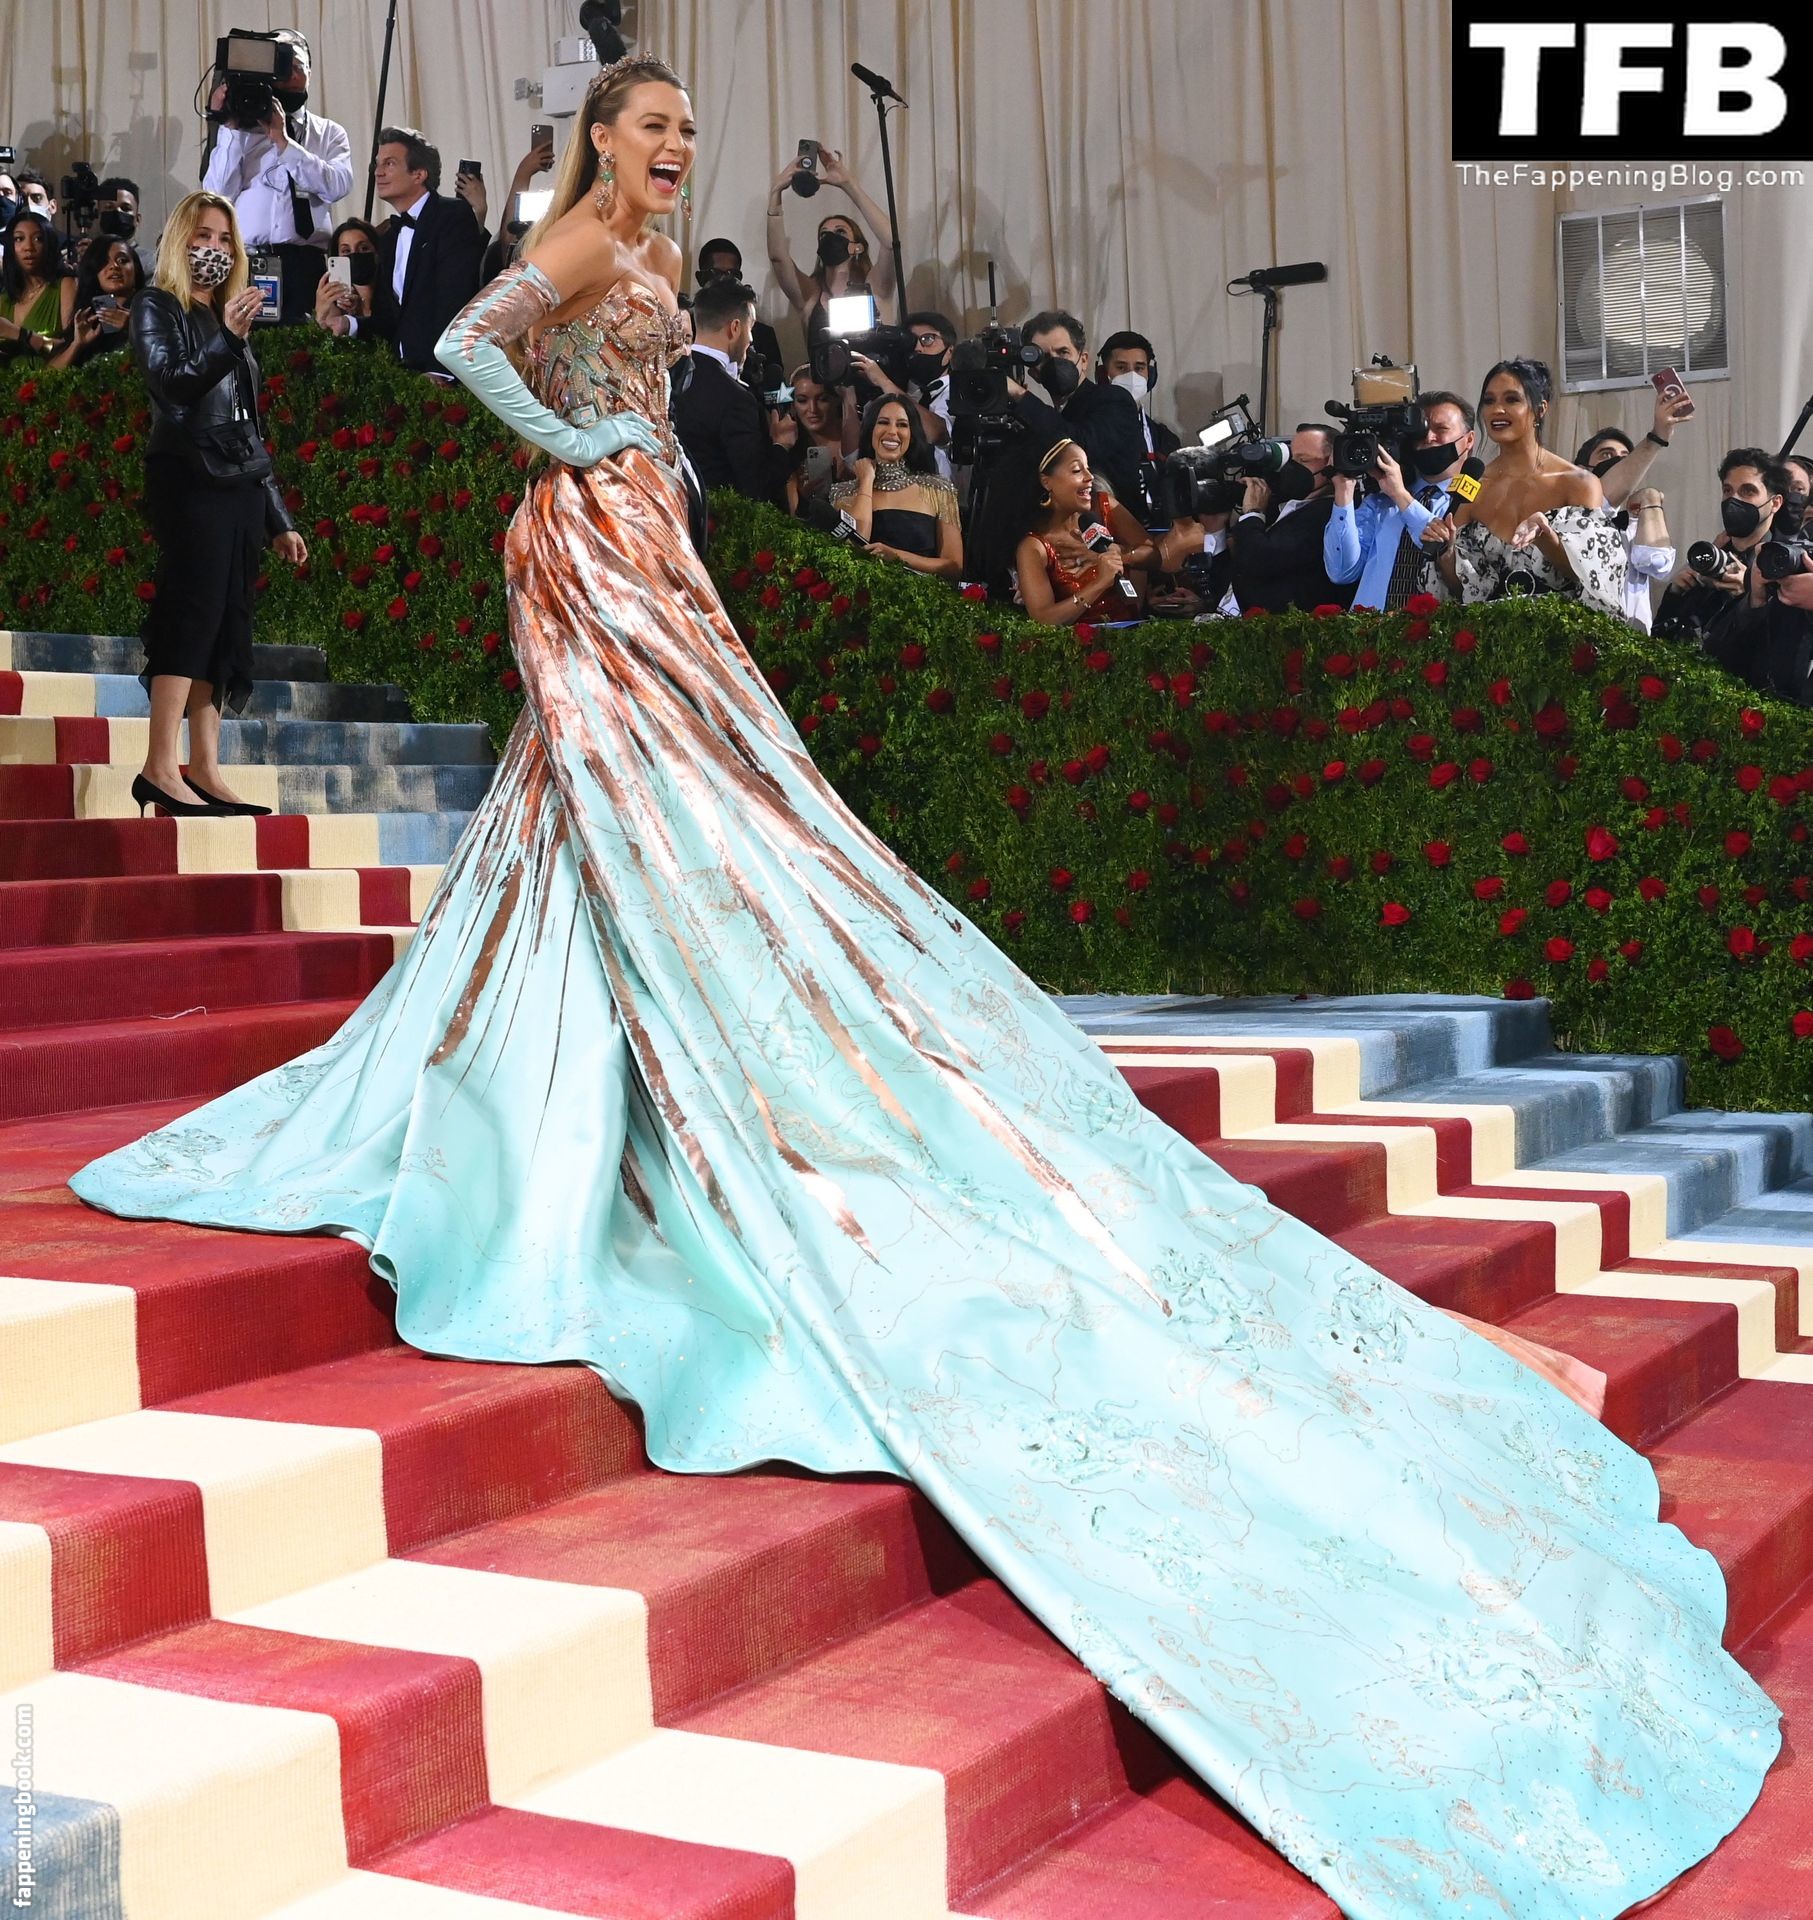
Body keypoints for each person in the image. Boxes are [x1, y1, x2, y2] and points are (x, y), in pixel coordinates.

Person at [70, 57, 1781, 1920]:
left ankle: (564, 1074)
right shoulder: (576, 243)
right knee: (645, 808)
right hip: (590, 541)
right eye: (653, 129)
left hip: (643, 539)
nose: (675, 151)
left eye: (688, 134)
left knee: (622, 816)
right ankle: (568, 1096)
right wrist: (582, 449)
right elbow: (473, 346)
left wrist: (636, 464)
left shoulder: (644, 255)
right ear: (599, 138)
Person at [126, 191, 306, 819]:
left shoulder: (231, 321)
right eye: (203, 235)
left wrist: (277, 517)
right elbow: (172, 384)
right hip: (187, 475)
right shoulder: (157, 306)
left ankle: (204, 767)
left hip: (237, 484)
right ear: (181, 239)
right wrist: (227, 337)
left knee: (228, 620)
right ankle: (159, 766)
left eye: (225, 239)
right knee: (191, 611)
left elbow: (248, 427)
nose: (215, 248)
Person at [1425, 357, 1625, 619]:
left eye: (1512, 400)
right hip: (1490, 637)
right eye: (1489, 401)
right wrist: (1447, 552)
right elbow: (1460, 591)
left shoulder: (1578, 483)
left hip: (1561, 634)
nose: (1497, 410)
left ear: (1540, 409)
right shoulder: (1473, 485)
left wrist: (1546, 537)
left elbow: (1593, 580)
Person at [202, 31, 351, 321]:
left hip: (307, 264)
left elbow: (338, 185)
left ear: (310, 73)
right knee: (248, 342)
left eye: (298, 67)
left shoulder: (329, 133)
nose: (291, 75)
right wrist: (231, 129)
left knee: (307, 344)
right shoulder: (240, 133)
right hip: (249, 261)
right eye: (283, 67)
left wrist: (283, 142)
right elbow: (216, 196)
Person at [322, 129, 485, 370]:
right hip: (403, 373)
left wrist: (442, 373)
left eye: (389, 164)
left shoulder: (452, 216)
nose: (378, 172)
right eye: (377, 164)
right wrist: (349, 324)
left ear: (419, 174)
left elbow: (456, 303)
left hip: (441, 374)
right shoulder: (390, 237)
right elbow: (393, 318)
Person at [1659, 449, 1813, 702]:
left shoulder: (1787, 567)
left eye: (1748, 491)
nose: (1734, 500)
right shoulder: (1709, 556)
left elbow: (1784, 664)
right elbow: (1660, 638)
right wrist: (1675, 593)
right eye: (1728, 490)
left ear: (1775, 503)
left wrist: (1751, 598)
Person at [1326, 391, 1477, 611]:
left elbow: (1447, 554)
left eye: (1441, 429)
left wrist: (1401, 496)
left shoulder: (1474, 503)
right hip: (1370, 629)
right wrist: (1344, 490)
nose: (1429, 437)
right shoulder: (1380, 501)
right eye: (1422, 430)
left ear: (1469, 440)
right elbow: (1341, 572)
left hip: (1433, 629)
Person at [670, 275, 798, 504]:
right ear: (735, 327)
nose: (751, 339)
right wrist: (781, 445)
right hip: (716, 518)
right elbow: (757, 488)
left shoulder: (668, 375)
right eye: (751, 328)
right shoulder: (736, 399)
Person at [1008, 309, 1148, 512]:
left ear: (1083, 360)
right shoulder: (1046, 416)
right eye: (1044, 357)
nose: (1055, 363)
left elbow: (1078, 445)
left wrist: (1020, 395)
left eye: (1063, 353)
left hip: (1115, 526)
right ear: (1034, 373)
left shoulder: (1114, 399)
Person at [764, 147, 895, 342]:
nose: (831, 237)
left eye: (840, 232)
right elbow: (778, 259)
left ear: (858, 246)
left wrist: (848, 184)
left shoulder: (876, 287)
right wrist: (775, 192)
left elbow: (891, 242)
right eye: (824, 234)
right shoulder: (810, 295)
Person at [827, 394, 961, 579]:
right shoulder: (843, 492)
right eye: (883, 422)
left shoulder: (938, 489)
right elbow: (853, 550)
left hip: (921, 594)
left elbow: (954, 567)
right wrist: (866, 481)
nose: (892, 431)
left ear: (912, 435)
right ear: (870, 430)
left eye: (902, 425)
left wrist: (897, 556)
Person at [1225, 424, 1355, 614]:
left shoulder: (1331, 513)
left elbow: (1260, 561)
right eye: (1291, 459)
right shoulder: (1281, 504)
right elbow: (1240, 569)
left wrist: (1253, 512)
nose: (1293, 468)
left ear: (1333, 463)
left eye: (1303, 460)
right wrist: (1215, 528)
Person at [1576, 427, 1675, 632]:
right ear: (1582, 469)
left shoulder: (1634, 523)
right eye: (1607, 454)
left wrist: (1650, 500)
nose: (1619, 462)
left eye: (1625, 457)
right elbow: (1600, 503)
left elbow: (1657, 563)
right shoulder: (1572, 519)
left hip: (1633, 641)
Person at [694, 236, 781, 373]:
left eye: (732, 275)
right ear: (700, 278)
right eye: (716, 274)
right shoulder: (686, 329)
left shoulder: (763, 335)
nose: (724, 280)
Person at [1095, 328, 1182, 461]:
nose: (1132, 375)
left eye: (1139, 368)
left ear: (1150, 375)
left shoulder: (1165, 439)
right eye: (1121, 367)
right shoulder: (1087, 430)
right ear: (1103, 374)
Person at [0, 207, 74, 362]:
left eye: (38, 239)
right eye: (19, 239)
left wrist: (20, 335)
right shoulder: (5, 298)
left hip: (49, 376)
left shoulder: (65, 286)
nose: (28, 247)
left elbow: (69, 348)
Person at [62, 232, 146, 367]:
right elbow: (49, 376)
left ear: (135, 268)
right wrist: (77, 344)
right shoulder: (88, 316)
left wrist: (133, 327)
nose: (114, 266)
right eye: (104, 262)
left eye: (122, 260)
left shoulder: (149, 308)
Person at [783, 363, 854, 512]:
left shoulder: (859, 434)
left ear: (836, 399)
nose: (813, 409)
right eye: (802, 400)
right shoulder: (792, 454)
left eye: (822, 399)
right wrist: (803, 499)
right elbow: (793, 519)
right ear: (793, 405)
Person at [312, 216, 381, 332]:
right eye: (346, 251)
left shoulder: (393, 294)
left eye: (364, 248)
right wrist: (321, 315)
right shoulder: (335, 303)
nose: (355, 255)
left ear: (377, 252)